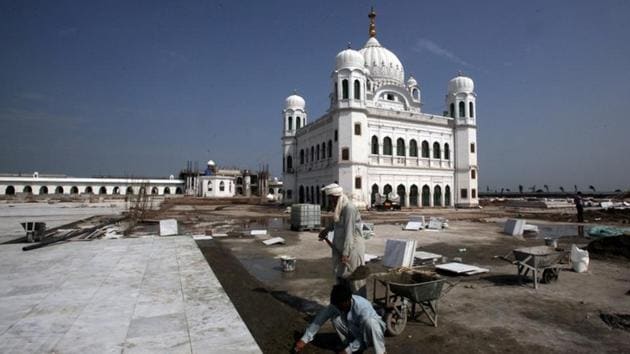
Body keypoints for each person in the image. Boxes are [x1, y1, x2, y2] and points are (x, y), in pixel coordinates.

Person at [294, 284, 386, 354]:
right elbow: (320, 318)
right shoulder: (338, 303)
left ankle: (381, 351)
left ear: (347, 301)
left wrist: (348, 351)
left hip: (371, 333)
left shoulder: (363, 310)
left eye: (338, 305)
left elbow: (363, 336)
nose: (337, 307)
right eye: (336, 305)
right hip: (356, 331)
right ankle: (351, 346)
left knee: (370, 323)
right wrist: (304, 339)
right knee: (335, 319)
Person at [319, 183, 366, 295]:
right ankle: (346, 305)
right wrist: (326, 230)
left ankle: (360, 306)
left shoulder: (349, 208)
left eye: (331, 199)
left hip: (352, 248)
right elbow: (337, 222)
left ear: (335, 196)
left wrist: (345, 253)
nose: (330, 202)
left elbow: (349, 232)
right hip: (342, 247)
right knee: (342, 278)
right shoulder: (340, 207)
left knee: (355, 280)